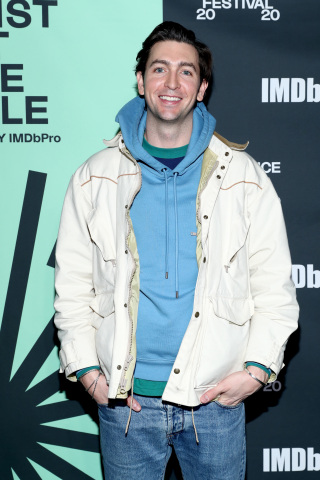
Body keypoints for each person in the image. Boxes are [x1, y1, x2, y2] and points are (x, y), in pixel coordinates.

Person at [54, 21, 299, 479]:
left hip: (215, 402)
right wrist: (87, 371)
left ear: (202, 88)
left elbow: (275, 289)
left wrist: (257, 370)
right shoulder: (95, 176)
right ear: (142, 81)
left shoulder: (243, 178)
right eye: (159, 69)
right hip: (126, 404)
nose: (171, 83)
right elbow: (72, 286)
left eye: (185, 72)